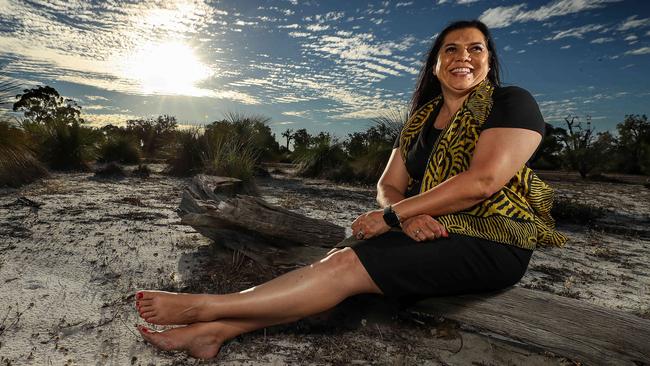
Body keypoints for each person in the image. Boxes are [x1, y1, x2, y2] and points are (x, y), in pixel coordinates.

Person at [133, 19, 566, 359]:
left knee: (344, 268)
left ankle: (206, 308)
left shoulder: (512, 102)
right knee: (340, 262)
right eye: (450, 49)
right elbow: (388, 184)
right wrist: (408, 213)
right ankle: (215, 333)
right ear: (435, 64)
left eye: (476, 48)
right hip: (430, 227)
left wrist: (395, 215)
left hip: (492, 239)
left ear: (489, 61)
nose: (463, 56)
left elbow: (483, 182)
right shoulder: (419, 122)